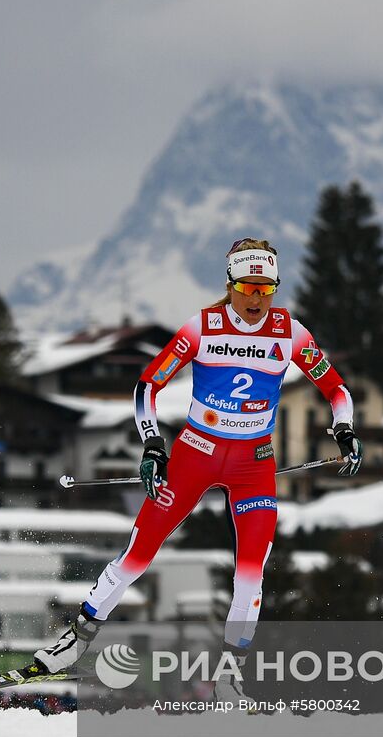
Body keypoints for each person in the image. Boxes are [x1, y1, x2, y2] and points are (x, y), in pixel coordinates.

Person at [29, 237, 362, 678]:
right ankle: (77, 640)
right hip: (195, 455)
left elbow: (336, 389)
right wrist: (152, 444)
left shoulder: (290, 332)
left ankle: (230, 676)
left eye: (266, 289)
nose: (257, 299)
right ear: (231, 284)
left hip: (253, 464)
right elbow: (148, 385)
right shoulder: (202, 327)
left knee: (250, 573)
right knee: (139, 553)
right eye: (247, 288)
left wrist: (344, 429)